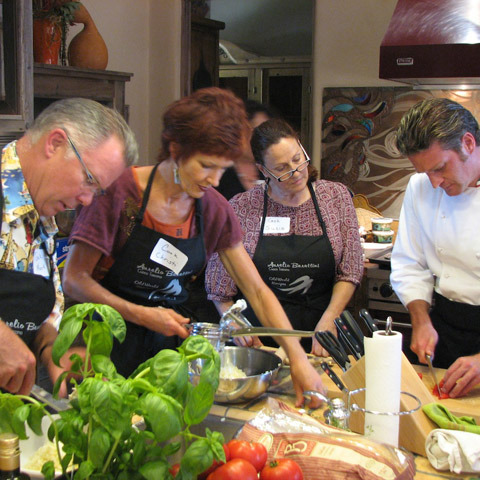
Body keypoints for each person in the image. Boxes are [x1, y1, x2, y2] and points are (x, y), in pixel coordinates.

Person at [63, 88, 325, 406]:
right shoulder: (119, 194)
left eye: (222, 168)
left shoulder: (212, 208)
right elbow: (74, 280)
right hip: (102, 347)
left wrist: (296, 359)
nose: (215, 180)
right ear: (175, 149)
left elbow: (255, 290)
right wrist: (144, 315)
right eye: (205, 165)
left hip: (164, 357)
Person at [0, 97, 138, 396]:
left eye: (96, 191)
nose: (87, 200)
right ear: (55, 143)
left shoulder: (42, 215)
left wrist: (53, 349)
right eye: (89, 180)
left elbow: (39, 310)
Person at [206, 118, 364, 355]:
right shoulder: (242, 207)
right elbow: (219, 286)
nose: (296, 172)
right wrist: (233, 320)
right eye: (281, 168)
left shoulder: (335, 198)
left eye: (297, 159)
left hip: (321, 334)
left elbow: (350, 270)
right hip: (260, 342)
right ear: (263, 170)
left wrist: (331, 317)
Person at [391, 97, 480, 398]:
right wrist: (420, 319)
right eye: (424, 172)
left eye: (440, 168)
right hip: (446, 326)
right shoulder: (419, 187)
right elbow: (409, 263)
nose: (434, 182)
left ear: (468, 143)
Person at [216, 100, 274, 200]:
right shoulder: (219, 170)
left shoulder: (270, 170)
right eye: (257, 131)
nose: (263, 138)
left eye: (267, 132)